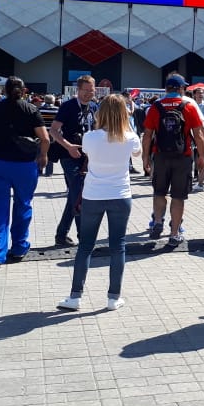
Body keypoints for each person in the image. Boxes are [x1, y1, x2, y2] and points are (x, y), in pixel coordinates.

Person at [56, 94, 142, 312]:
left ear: (100, 113)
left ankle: (75, 296)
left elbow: (86, 153)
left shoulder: (90, 137)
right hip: (121, 195)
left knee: (85, 246)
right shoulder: (130, 137)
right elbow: (138, 153)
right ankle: (114, 297)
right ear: (124, 114)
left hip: (93, 195)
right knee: (117, 247)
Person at [0, 76, 49, 271]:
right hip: (24, 165)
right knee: (23, 205)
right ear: (24, 90)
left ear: (4, 90)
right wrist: (43, 156)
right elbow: (44, 138)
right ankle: (19, 246)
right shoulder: (31, 110)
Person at [141, 72, 204, 245]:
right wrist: (202, 156)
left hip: (161, 156)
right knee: (178, 197)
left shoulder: (156, 107)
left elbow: (147, 135)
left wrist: (145, 158)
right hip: (182, 157)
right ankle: (174, 233)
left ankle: (157, 222)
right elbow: (198, 134)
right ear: (180, 89)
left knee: (159, 192)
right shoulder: (188, 106)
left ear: (166, 89)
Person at [49, 75, 99, 247]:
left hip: (87, 157)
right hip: (69, 155)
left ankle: (61, 234)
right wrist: (68, 145)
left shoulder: (94, 106)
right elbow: (53, 130)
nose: (88, 94)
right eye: (85, 91)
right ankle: (83, 236)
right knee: (79, 194)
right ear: (78, 90)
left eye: (91, 91)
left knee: (74, 195)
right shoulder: (68, 106)